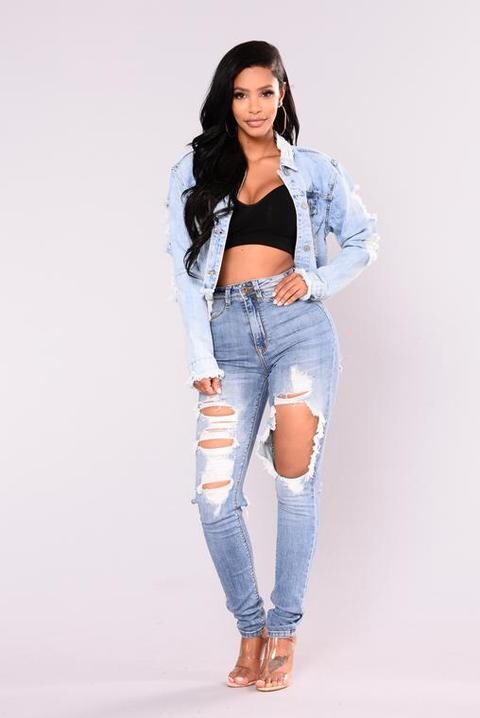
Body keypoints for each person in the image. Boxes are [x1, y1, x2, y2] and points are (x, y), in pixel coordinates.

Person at [165, 40, 379, 692]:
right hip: (227, 336)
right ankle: (250, 626)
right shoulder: (195, 169)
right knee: (214, 498)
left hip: (299, 335)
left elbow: (364, 238)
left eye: (265, 91)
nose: (254, 106)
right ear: (226, 99)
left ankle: (283, 630)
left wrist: (316, 280)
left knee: (294, 484)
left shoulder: (313, 169)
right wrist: (200, 353)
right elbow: (184, 272)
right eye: (240, 93)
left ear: (282, 94)